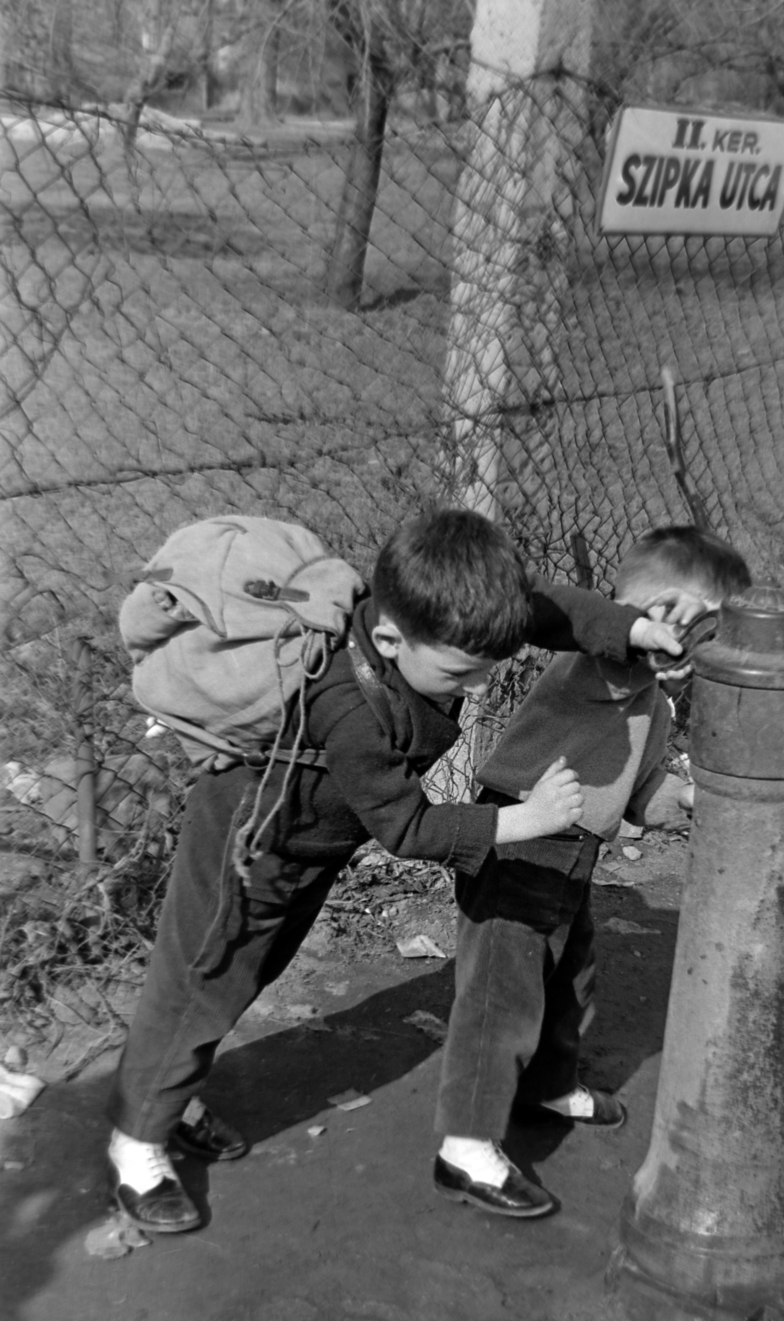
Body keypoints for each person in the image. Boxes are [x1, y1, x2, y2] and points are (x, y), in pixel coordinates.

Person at [106, 508, 696, 1233]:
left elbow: (550, 609)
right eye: (460, 673)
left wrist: (634, 629)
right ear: (388, 638)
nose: (478, 690)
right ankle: (137, 1144)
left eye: (491, 666)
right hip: (249, 841)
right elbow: (407, 827)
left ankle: (173, 1094)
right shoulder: (349, 706)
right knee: (201, 978)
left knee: (243, 975)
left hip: (312, 843)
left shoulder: (440, 624)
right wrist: (526, 819)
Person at [433, 525, 752, 1218]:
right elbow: (614, 644)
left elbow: (643, 791)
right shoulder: (596, 664)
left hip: (569, 857)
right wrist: (643, 632)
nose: (700, 652)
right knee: (501, 999)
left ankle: (546, 1082)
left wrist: (690, 796)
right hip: (518, 838)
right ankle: (465, 1145)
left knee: (569, 980)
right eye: (700, 631)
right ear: (647, 618)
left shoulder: (652, 701)